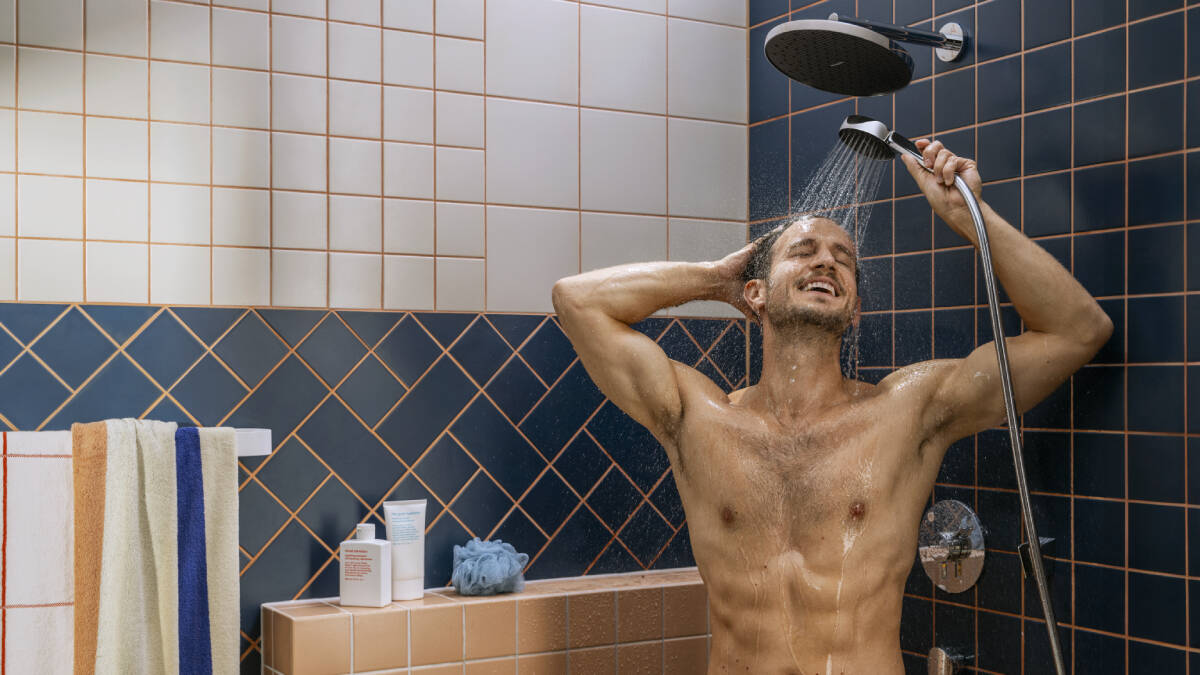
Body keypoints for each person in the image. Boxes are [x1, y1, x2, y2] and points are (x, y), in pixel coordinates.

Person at [552, 140, 1112, 674]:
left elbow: (1077, 330)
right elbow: (576, 301)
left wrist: (970, 216)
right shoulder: (698, 418)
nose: (826, 263)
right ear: (755, 294)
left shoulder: (908, 412)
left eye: (843, 261)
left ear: (855, 311)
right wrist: (715, 278)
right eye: (803, 252)